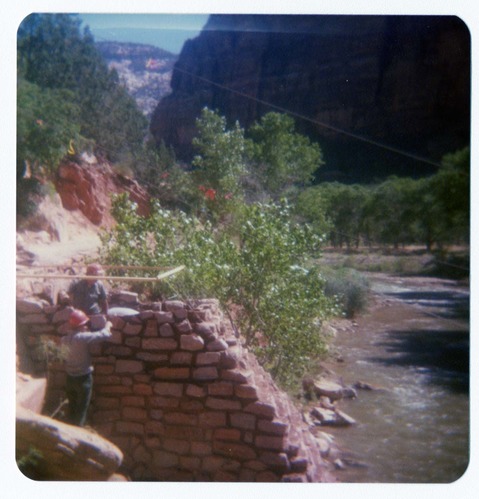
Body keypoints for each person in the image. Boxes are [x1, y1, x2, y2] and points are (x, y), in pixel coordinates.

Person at [61, 309, 112, 426]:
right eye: (85, 325)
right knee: (81, 411)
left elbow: (64, 357)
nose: (86, 327)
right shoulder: (82, 338)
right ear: (81, 326)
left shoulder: (63, 340)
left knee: (72, 409)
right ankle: (78, 438)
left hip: (70, 379)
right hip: (83, 379)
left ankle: (68, 432)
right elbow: (104, 334)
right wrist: (108, 325)